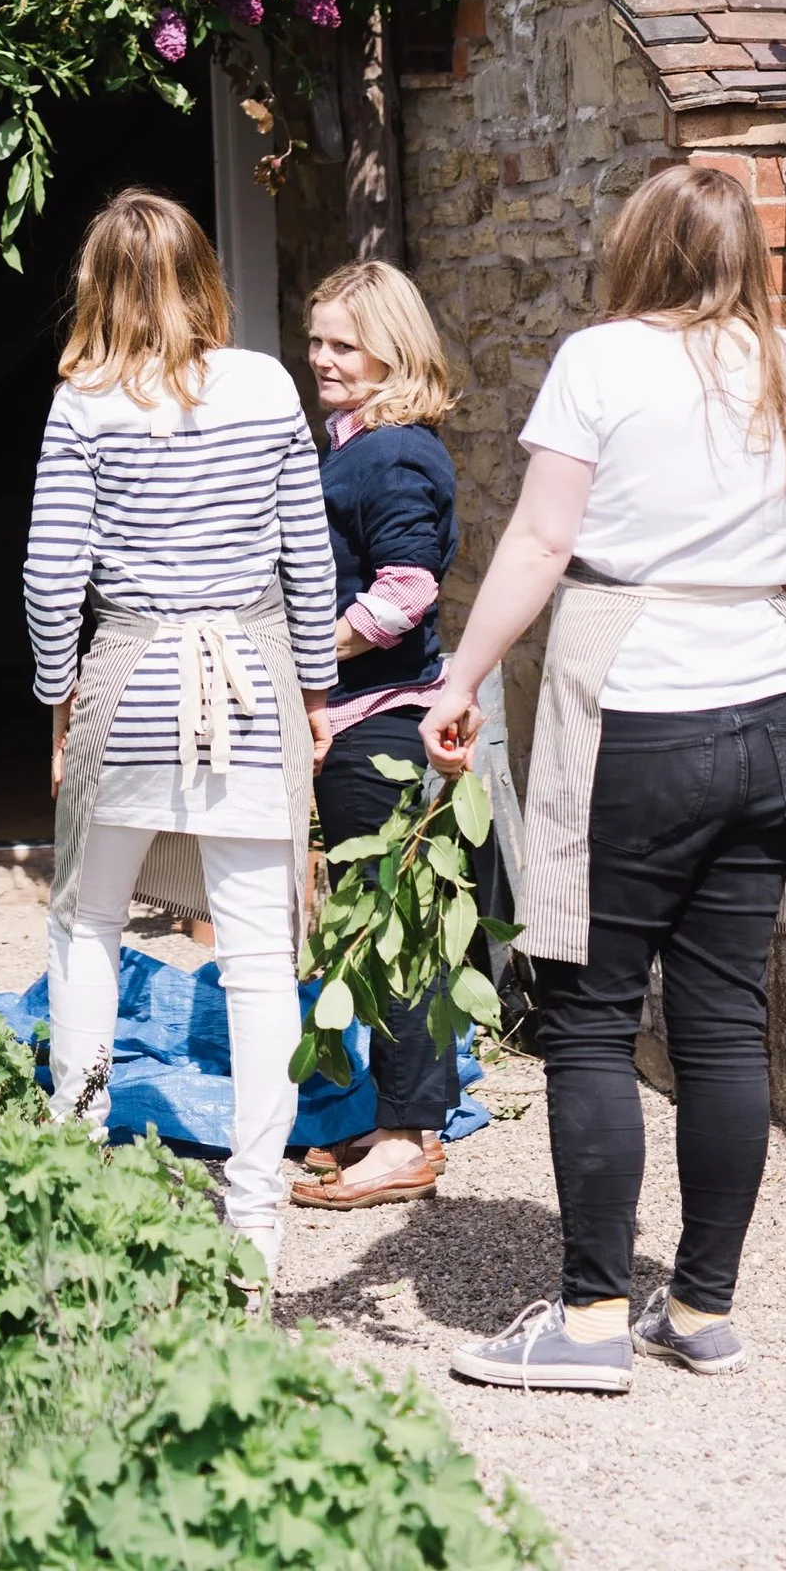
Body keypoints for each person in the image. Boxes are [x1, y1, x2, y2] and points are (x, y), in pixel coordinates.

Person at [424, 161, 786, 1395]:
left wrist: (459, 678)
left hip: (642, 710)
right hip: (773, 703)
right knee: (721, 1019)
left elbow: (546, 540)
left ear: (642, 248)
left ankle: (592, 1319)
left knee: (592, 1012)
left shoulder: (602, 360)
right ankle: (702, 1305)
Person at [24, 188, 338, 1287]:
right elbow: (308, 549)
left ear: (95, 284)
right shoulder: (264, 386)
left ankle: (76, 1170)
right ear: (206, 273)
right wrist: (316, 686)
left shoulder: (83, 401)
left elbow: (52, 572)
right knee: (260, 961)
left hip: (128, 680)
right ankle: (255, 1218)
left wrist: (55, 693)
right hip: (251, 686)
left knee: (87, 926)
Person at [291, 260, 467, 1214]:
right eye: (315, 339)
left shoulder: (393, 452)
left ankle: (406, 1138)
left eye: (341, 343)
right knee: (373, 923)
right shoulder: (361, 445)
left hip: (378, 721)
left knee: (397, 935)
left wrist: (307, 663)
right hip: (365, 715)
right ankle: (396, 1119)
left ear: (391, 352)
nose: (320, 356)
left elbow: (406, 590)